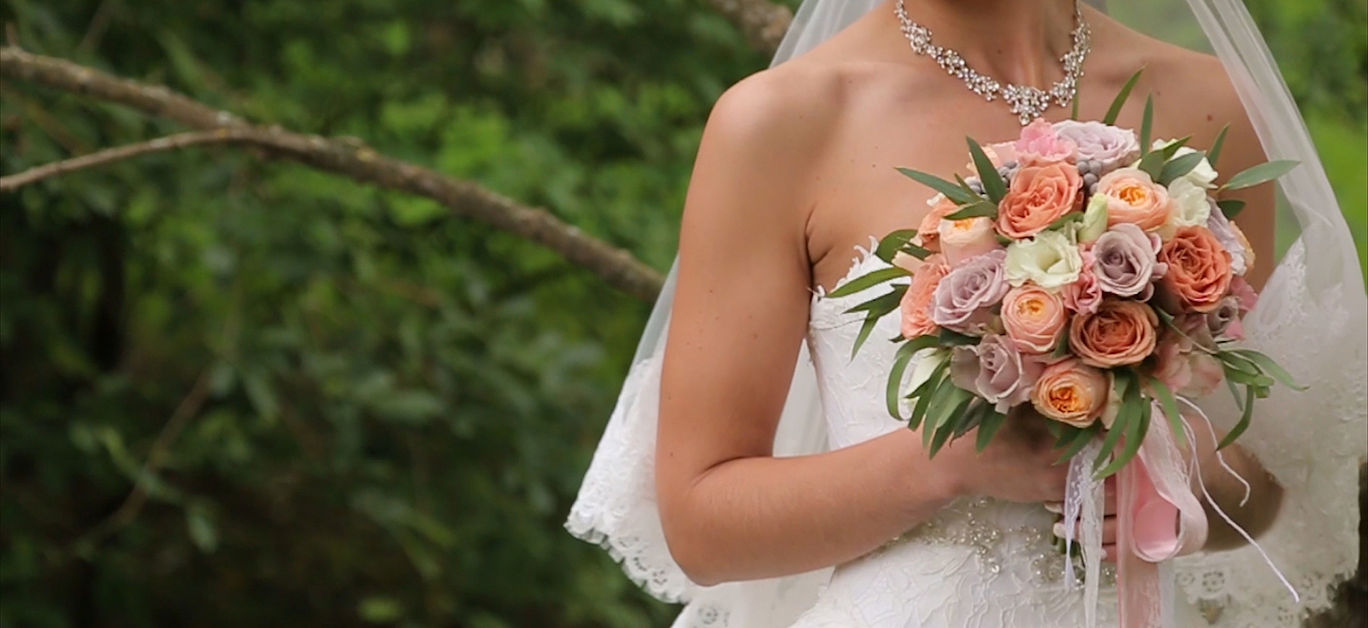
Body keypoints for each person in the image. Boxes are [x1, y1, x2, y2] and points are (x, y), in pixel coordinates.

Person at [566, 1, 1367, 626]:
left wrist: (1177, 477)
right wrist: (948, 461)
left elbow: (1257, 490)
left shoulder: (1206, 99)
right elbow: (703, 526)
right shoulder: (781, 122)